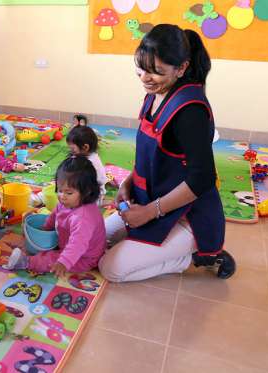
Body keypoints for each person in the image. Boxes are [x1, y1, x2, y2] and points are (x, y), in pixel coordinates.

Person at [98, 24, 236, 283]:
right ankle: (156, 245)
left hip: (187, 214)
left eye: (157, 72)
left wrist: (148, 212)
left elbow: (202, 178)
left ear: (181, 68)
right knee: (97, 237)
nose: (145, 78)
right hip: (153, 198)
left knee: (111, 268)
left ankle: (192, 257)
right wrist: (128, 183)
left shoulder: (189, 111)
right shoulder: (155, 94)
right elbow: (151, 156)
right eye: (141, 69)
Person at [4, 156, 106, 278]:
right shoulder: (67, 202)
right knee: (46, 241)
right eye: (59, 190)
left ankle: (26, 262)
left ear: (87, 191)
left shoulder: (83, 218)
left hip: (82, 257)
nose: (62, 196)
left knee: (51, 259)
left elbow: (77, 244)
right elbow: (54, 215)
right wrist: (45, 228)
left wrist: (64, 262)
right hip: (65, 241)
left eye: (68, 193)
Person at [67, 125, 107, 200]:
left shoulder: (90, 163)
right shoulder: (86, 154)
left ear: (85, 147)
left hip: (94, 195)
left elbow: (85, 184)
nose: (71, 151)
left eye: (73, 149)